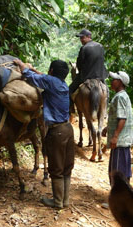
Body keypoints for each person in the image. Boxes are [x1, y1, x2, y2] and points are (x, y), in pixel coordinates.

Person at [13, 58, 74, 209]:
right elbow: (44, 77)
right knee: (66, 167)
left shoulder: (50, 82)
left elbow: (29, 76)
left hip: (57, 131)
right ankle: (64, 200)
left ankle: (57, 202)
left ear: (51, 71)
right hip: (68, 129)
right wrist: (36, 70)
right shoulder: (62, 84)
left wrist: (21, 65)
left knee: (56, 168)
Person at [69, 29, 108, 113]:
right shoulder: (100, 46)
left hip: (86, 76)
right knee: (106, 91)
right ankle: (104, 110)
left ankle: (71, 108)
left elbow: (79, 64)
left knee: (69, 90)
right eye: (80, 38)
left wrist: (81, 71)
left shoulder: (84, 48)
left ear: (89, 37)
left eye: (82, 38)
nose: (81, 40)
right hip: (100, 76)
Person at [104, 71, 133, 184]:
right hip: (123, 142)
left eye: (114, 80)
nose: (111, 81)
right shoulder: (123, 96)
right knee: (122, 172)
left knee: (117, 174)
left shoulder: (120, 97)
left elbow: (122, 118)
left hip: (119, 142)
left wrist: (115, 136)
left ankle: (119, 199)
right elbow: (119, 117)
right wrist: (107, 128)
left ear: (120, 82)